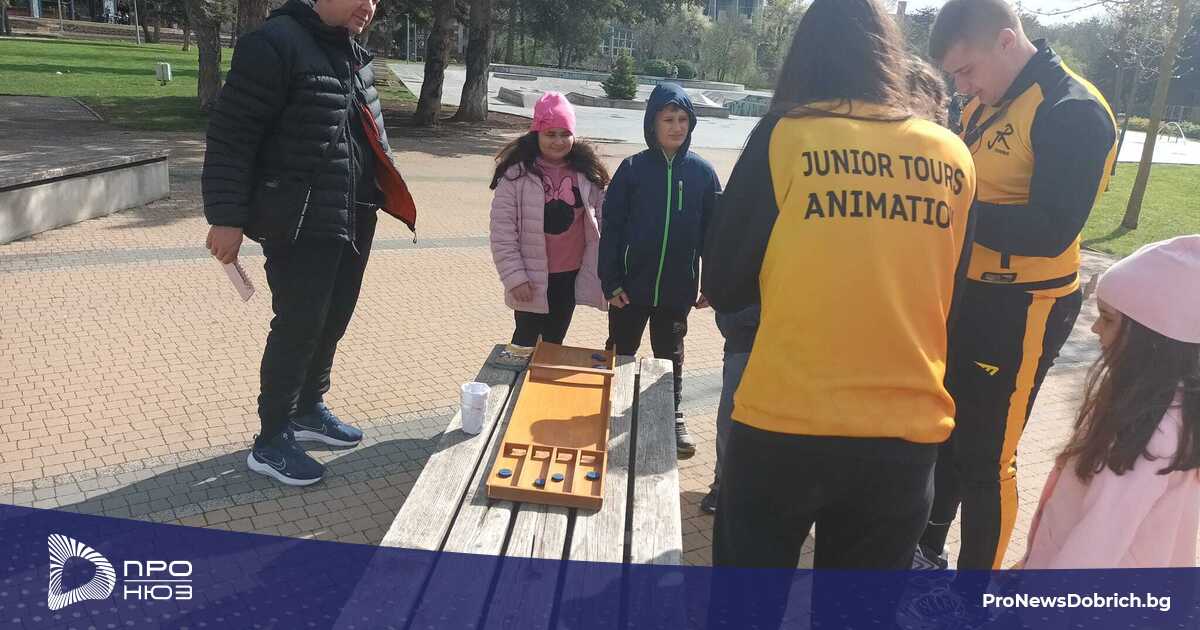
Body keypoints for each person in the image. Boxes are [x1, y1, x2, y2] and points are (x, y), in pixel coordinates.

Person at [704, 0, 976, 575]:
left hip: (783, 419)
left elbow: (725, 281)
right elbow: (953, 291)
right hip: (904, 434)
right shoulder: (952, 155)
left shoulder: (785, 135)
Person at [916, 0, 1119, 571]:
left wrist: (948, 209)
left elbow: (1051, 231)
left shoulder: (1072, 109)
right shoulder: (988, 96)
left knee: (988, 457)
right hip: (968, 293)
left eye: (967, 70)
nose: (961, 88)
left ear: (1007, 41)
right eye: (955, 77)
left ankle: (972, 598)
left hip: (1025, 306)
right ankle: (926, 551)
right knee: (947, 434)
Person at [203, 0, 416, 486]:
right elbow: (231, 137)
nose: (369, 6)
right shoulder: (273, 44)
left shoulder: (352, 53)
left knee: (334, 317)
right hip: (299, 220)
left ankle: (308, 408)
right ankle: (272, 439)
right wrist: (226, 218)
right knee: (298, 325)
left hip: (354, 213)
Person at [1021, 236, 1200, 569]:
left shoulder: (1148, 433)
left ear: (1150, 336)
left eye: (1107, 318)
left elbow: (1092, 551)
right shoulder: (1162, 410)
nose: (1094, 328)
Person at [598, 83, 721, 458]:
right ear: (652, 123)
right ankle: (609, 407)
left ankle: (672, 413)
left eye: (683, 119)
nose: (676, 126)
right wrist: (610, 281)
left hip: (677, 289)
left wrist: (712, 281)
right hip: (630, 287)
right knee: (622, 349)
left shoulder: (702, 173)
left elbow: (714, 234)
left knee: (670, 355)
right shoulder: (632, 170)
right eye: (668, 119)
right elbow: (611, 229)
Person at [489, 93, 611, 366]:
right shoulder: (516, 175)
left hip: (568, 276)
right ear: (537, 133)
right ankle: (515, 385)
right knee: (524, 343)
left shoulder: (587, 174)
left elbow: (603, 222)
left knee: (554, 343)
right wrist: (515, 277)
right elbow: (502, 234)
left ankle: (541, 386)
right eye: (550, 134)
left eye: (565, 134)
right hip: (530, 279)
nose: (558, 141)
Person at [700, 302, 759, 514]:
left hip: (787, 348)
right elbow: (723, 303)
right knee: (728, 419)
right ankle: (723, 481)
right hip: (742, 347)